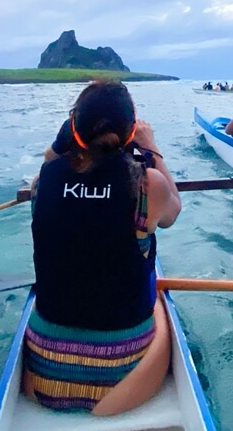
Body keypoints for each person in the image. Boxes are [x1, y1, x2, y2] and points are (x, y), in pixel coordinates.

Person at [24, 80, 182, 414]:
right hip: (121, 370)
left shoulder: (44, 180)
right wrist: (151, 147)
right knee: (152, 290)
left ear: (74, 130)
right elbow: (173, 213)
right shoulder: (147, 184)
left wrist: (67, 135)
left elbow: (55, 156)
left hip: (44, 369)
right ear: (130, 131)